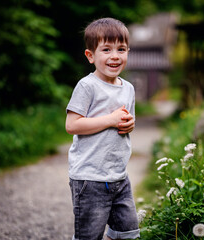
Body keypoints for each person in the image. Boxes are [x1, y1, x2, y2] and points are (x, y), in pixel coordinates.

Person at [65, 17, 139, 240]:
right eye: (106, 49)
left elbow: (124, 122)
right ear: (91, 56)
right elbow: (72, 125)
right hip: (90, 179)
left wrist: (129, 124)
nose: (115, 56)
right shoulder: (87, 86)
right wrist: (110, 120)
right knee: (89, 236)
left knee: (128, 233)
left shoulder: (128, 88)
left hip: (119, 177)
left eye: (121, 49)